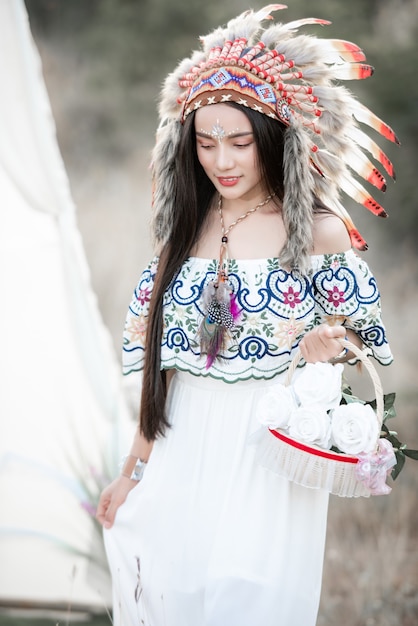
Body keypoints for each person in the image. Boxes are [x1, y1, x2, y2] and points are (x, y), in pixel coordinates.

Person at [96, 6, 397, 625]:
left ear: (275, 140)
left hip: (265, 446)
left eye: (239, 142)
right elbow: (165, 369)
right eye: (205, 142)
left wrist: (327, 348)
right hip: (183, 443)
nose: (221, 160)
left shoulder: (317, 234)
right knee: (173, 593)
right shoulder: (181, 234)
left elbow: (358, 344)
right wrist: (133, 471)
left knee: (247, 599)